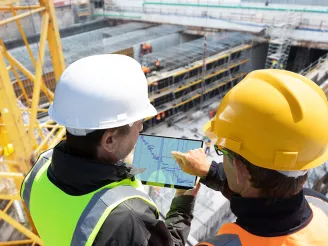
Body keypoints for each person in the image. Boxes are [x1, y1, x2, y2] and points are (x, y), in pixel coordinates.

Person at [21, 54, 200, 246]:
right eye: (140, 123)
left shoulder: (38, 170)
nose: (141, 129)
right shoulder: (129, 216)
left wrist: (117, 166)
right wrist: (183, 202)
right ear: (109, 140)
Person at [172, 69, 328, 246]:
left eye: (222, 150)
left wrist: (181, 205)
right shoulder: (320, 205)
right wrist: (210, 171)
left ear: (240, 169)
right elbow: (262, 199)